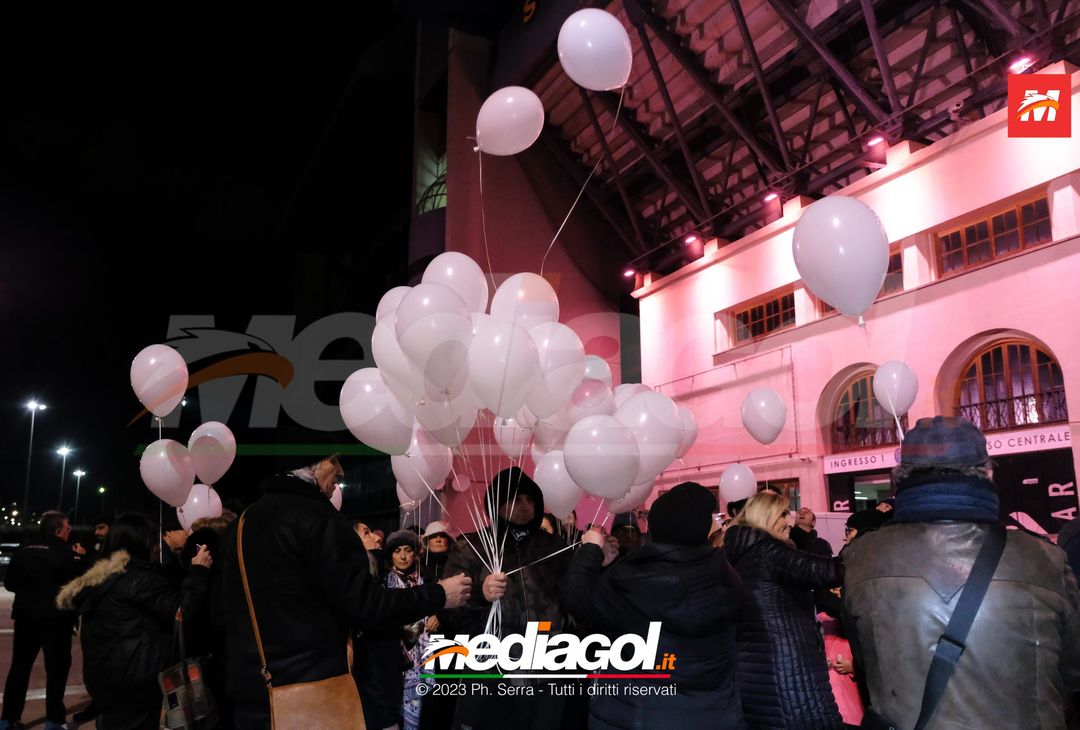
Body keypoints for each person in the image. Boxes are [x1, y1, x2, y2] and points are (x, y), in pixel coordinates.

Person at [843, 416, 1080, 728]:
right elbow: (1073, 675)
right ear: (988, 472)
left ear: (898, 479)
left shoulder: (860, 558)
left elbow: (866, 670)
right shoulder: (1045, 559)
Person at [219, 455, 471, 728]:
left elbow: (220, 616)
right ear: (310, 463)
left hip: (252, 698)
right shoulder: (320, 519)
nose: (339, 471)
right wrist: (439, 594)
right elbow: (367, 605)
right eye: (332, 460)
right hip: (314, 695)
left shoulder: (240, 526)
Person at [561, 482, 745, 730]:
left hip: (642, 713)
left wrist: (590, 550)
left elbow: (577, 596)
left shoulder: (641, 579)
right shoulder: (725, 574)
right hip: (714, 712)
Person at [442, 466, 572, 730]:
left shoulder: (554, 548)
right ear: (496, 503)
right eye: (515, 499)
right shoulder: (471, 547)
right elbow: (449, 612)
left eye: (529, 499)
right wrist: (480, 593)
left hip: (546, 673)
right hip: (490, 673)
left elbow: (576, 600)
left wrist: (598, 564)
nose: (525, 507)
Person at [56, 513, 213, 730]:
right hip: (139, 681)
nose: (157, 545)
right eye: (153, 539)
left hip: (105, 679)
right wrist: (198, 572)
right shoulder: (139, 579)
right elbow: (181, 613)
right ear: (140, 542)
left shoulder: (102, 578)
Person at [723, 490, 845, 729]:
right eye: (782, 514)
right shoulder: (768, 552)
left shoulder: (738, 557)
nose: (788, 522)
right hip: (789, 678)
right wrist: (868, 549)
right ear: (764, 517)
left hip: (756, 679)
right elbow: (828, 571)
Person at [0, 511, 86, 730]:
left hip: (26, 617)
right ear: (58, 530)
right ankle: (54, 720)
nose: (69, 531)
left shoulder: (23, 551)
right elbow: (78, 584)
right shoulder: (66, 553)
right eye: (67, 528)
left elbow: (9, 584)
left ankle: (9, 718)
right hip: (56, 620)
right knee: (57, 670)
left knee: (19, 668)